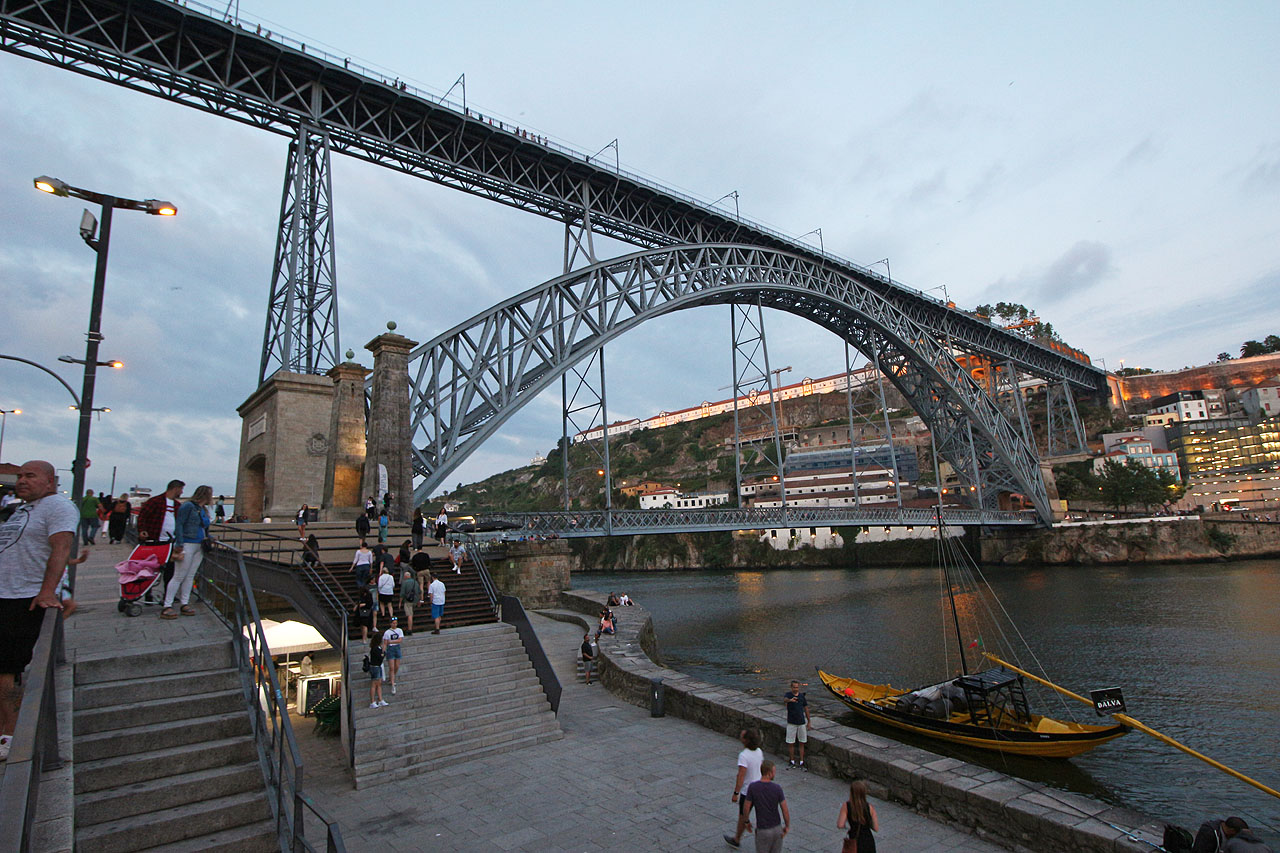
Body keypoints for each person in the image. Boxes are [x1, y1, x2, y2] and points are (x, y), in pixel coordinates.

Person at [0, 461, 77, 762]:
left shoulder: (58, 506)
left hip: (23, 596)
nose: (21, 481)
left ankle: (10, 733)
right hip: (6, 592)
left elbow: (61, 548)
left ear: (50, 481)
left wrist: (49, 591)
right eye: (20, 476)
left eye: (29, 476)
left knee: (7, 669)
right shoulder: (23, 509)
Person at [161, 485, 213, 619]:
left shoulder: (202, 509)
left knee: (190, 575)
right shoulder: (188, 506)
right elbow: (179, 524)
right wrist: (179, 543)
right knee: (179, 575)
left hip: (199, 545)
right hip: (187, 544)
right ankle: (167, 605)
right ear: (204, 495)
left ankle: (184, 603)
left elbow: (204, 527)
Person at [724, 727, 765, 848]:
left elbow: (741, 775)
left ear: (746, 740)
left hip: (748, 792)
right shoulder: (759, 752)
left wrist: (736, 792)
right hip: (760, 788)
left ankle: (737, 839)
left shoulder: (744, 755)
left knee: (743, 815)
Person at [743, 760, 790, 853]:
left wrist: (746, 821)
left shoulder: (753, 787)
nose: (774, 774)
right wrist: (787, 826)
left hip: (763, 830)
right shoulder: (777, 788)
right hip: (777, 829)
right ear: (769, 773)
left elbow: (746, 807)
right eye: (774, 772)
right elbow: (785, 810)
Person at [836, 779, 878, 853]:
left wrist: (849, 827)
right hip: (868, 841)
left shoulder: (846, 806)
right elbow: (876, 828)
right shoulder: (870, 807)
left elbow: (840, 825)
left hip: (854, 840)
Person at [784, 679, 811, 771]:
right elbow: (785, 700)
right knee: (790, 742)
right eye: (794, 687)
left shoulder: (802, 697)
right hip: (791, 722)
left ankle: (801, 761)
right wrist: (790, 700)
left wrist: (809, 721)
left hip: (801, 723)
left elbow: (806, 708)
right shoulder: (788, 695)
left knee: (802, 742)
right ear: (791, 687)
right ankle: (791, 761)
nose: (796, 689)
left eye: (797, 687)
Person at [383, 615, 405, 694]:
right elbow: (385, 643)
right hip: (390, 649)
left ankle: (392, 677)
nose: (394, 625)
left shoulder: (399, 630)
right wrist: (383, 651)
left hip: (397, 648)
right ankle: (392, 683)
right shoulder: (387, 632)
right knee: (391, 667)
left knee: (397, 666)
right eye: (393, 623)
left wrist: (391, 641)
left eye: (395, 623)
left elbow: (400, 640)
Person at [367, 630, 387, 708]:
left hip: (377, 666)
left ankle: (380, 699)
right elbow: (380, 657)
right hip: (375, 667)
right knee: (374, 684)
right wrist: (383, 652)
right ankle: (372, 701)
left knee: (379, 684)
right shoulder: (375, 649)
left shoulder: (376, 648)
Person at [399, 570, 419, 634]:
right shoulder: (415, 582)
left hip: (408, 601)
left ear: (405, 576)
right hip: (415, 600)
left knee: (409, 615)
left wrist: (400, 602)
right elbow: (419, 591)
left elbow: (402, 593)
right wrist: (420, 600)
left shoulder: (404, 583)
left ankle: (410, 629)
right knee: (411, 613)